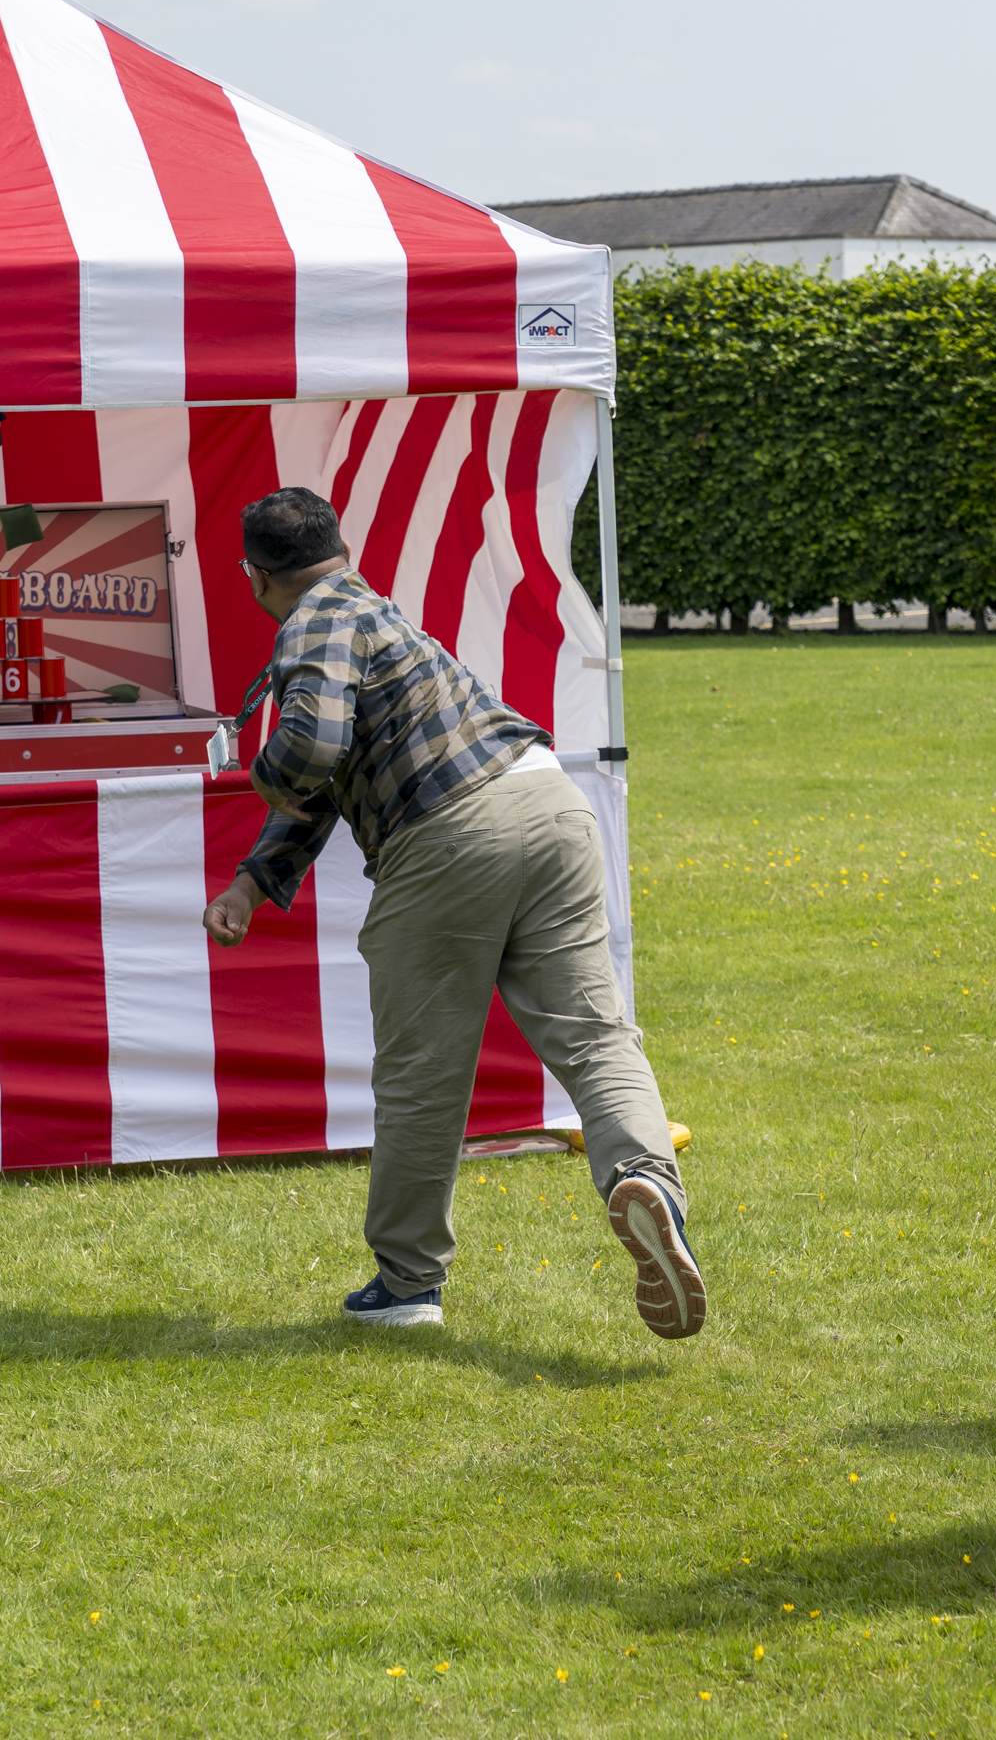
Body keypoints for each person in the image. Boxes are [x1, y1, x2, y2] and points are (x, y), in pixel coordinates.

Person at [201, 487, 703, 1339]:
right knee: (595, 1039)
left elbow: (311, 752)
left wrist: (256, 772)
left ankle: (407, 1286)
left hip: (448, 839)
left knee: (422, 1080)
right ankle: (647, 1182)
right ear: (340, 545)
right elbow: (339, 768)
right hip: (550, 801)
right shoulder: (381, 615)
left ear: (255, 576)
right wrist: (253, 881)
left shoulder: (312, 621)